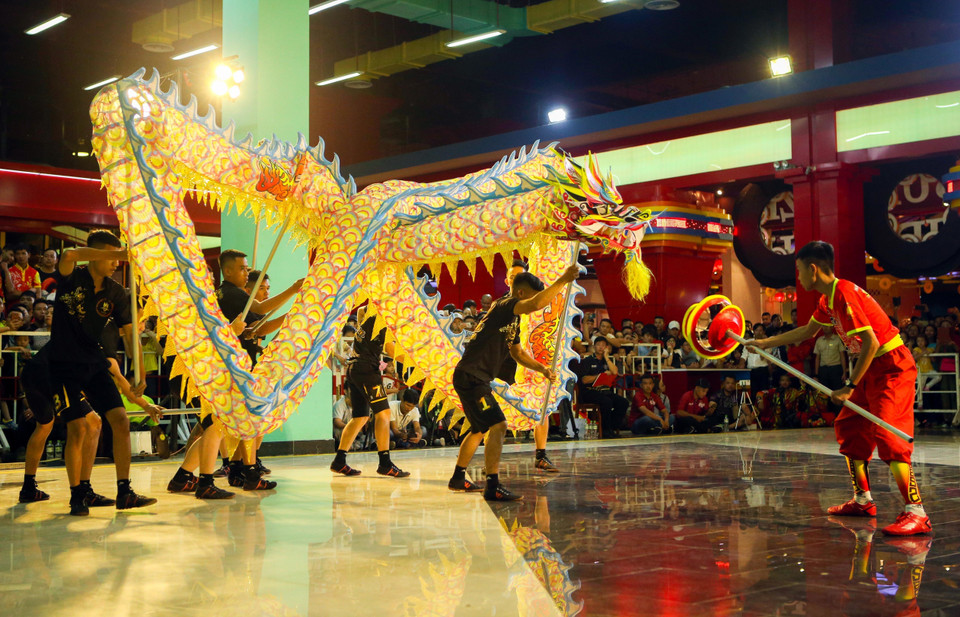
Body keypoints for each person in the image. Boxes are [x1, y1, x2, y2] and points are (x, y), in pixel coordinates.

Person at [749, 240, 930, 536]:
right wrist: (765, 343)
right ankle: (863, 500)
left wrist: (848, 386)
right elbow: (808, 331)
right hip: (870, 366)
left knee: (889, 436)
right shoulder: (827, 299)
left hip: (891, 367)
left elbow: (871, 342)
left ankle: (917, 511)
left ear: (813, 269)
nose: (799, 278)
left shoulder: (844, 294)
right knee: (850, 428)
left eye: (799, 271)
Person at [46, 230, 156, 515]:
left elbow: (131, 336)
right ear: (96, 253)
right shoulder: (72, 275)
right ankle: (77, 494)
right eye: (109, 256)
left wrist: (140, 374)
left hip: (93, 360)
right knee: (78, 426)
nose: (116, 263)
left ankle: (124, 491)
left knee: (120, 419)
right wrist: (120, 253)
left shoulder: (116, 291)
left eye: (118, 257)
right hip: (63, 362)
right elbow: (69, 255)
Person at [448, 266, 578, 501]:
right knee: (498, 425)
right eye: (529, 295)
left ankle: (458, 477)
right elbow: (536, 304)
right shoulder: (505, 305)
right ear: (520, 293)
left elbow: (517, 353)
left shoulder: (512, 320)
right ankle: (492, 485)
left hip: (472, 376)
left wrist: (541, 368)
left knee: (479, 429)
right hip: (472, 377)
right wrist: (564, 280)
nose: (532, 305)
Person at [330, 307, 410, 478]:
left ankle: (339, 460)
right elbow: (392, 352)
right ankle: (385, 463)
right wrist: (417, 362)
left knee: (360, 417)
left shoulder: (368, 313)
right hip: (367, 369)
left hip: (354, 368)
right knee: (384, 413)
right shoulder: (383, 319)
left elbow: (360, 309)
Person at [577, 337, 629, 438]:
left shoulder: (606, 360)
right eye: (598, 345)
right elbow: (584, 380)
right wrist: (600, 376)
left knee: (623, 402)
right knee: (607, 402)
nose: (601, 347)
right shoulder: (588, 360)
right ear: (594, 346)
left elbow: (615, 372)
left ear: (606, 347)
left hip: (604, 391)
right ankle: (604, 430)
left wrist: (607, 357)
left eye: (603, 345)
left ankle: (611, 427)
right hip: (589, 392)